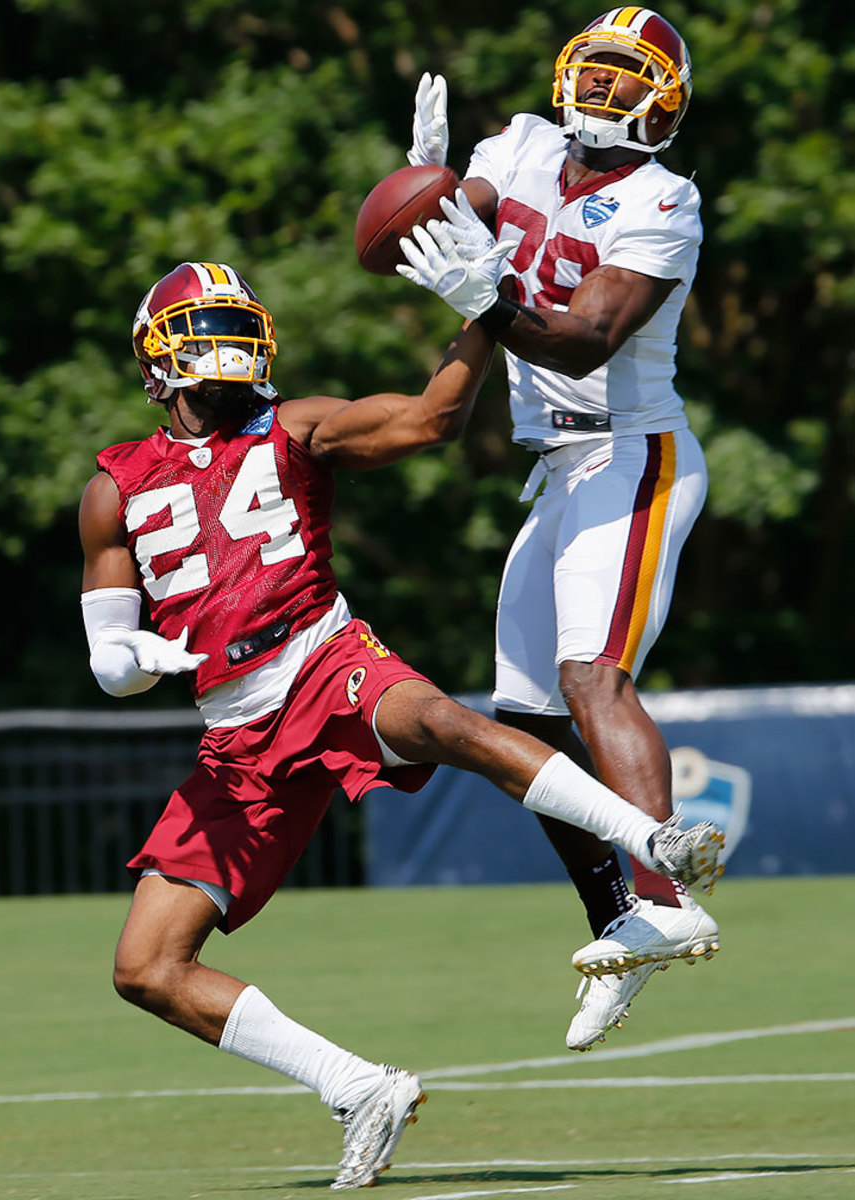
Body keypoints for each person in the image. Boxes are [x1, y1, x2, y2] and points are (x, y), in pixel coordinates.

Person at [79, 261, 722, 1188]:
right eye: (204, 325)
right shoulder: (114, 485)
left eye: (235, 322)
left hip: (319, 659)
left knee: (441, 721)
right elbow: (108, 663)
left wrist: (482, 309)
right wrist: (134, 657)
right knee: (145, 967)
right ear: (154, 356)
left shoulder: (296, 424)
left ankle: (653, 844)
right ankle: (360, 1089)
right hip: (234, 735)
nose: (224, 341)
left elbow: (431, 419)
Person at [400, 7, 717, 1050]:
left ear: (663, 104)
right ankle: (620, 921)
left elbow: (584, 339)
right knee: (526, 722)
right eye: (599, 69)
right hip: (556, 467)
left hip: (631, 456)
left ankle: (668, 901)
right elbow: (435, 231)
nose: (607, 89)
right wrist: (426, 193)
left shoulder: (663, 199)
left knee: (592, 676)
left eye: (631, 76)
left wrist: (486, 296)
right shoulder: (525, 145)